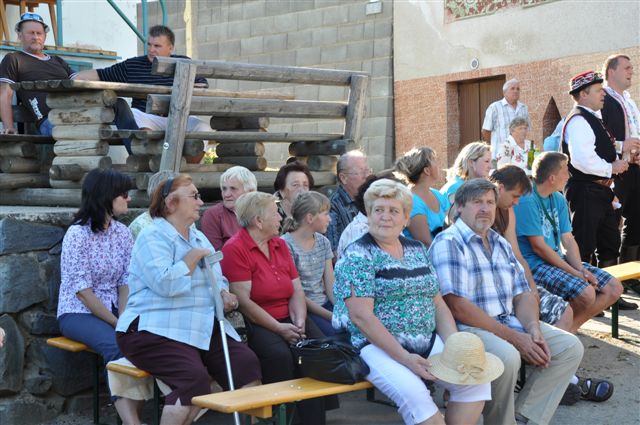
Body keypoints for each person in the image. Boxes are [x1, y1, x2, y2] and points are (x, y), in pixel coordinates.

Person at [334, 179, 492, 425]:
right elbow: (361, 317)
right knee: (417, 398)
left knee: (475, 381)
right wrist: (405, 358)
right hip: (375, 346)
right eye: (378, 210)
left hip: (426, 341)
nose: (385, 216)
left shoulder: (417, 249)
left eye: (394, 211)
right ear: (368, 215)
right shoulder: (358, 254)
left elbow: (437, 304)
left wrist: (454, 346)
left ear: (406, 219)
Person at [430, 178, 584, 425]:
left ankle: (524, 417)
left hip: (508, 321)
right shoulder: (449, 242)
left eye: (490, 202)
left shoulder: (499, 242)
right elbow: (457, 305)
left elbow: (523, 293)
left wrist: (533, 329)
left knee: (569, 347)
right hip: (467, 328)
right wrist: (514, 337)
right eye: (477, 202)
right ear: (459, 207)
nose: (485, 208)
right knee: (508, 356)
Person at [116, 174, 261, 425]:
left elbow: (218, 277)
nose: (200, 202)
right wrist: (191, 258)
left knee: (246, 365)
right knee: (192, 381)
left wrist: (224, 293)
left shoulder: (197, 236)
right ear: (171, 203)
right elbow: (165, 284)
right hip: (153, 328)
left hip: (199, 323)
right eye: (194, 196)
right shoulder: (152, 236)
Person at [490, 165, 612, 405]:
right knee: (579, 297)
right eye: (515, 196)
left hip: (516, 283)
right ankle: (566, 382)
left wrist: (530, 286)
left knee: (563, 310)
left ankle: (559, 377)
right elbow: (534, 249)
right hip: (497, 291)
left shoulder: (508, 211)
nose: (517, 202)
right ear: (500, 188)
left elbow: (516, 255)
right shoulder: (482, 214)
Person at [220, 191, 335, 425]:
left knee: (319, 348)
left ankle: (314, 420)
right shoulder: (235, 248)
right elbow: (245, 302)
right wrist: (279, 328)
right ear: (258, 221)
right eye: (275, 213)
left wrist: (299, 321)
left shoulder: (278, 244)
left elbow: (296, 289)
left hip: (289, 314)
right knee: (279, 356)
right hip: (258, 321)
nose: (281, 218)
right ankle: (281, 417)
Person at [56, 168, 142, 425]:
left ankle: (135, 415)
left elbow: (126, 280)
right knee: (116, 346)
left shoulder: (122, 233)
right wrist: (118, 324)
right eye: (124, 194)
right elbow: (83, 293)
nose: (129, 199)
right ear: (106, 196)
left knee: (146, 341)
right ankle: (132, 422)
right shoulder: (77, 235)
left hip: (115, 308)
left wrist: (125, 317)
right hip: (78, 312)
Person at [513, 152, 625, 331]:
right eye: (565, 171)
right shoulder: (528, 200)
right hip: (535, 265)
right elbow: (539, 248)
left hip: (556, 260)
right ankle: (562, 333)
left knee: (614, 288)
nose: (569, 176)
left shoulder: (557, 198)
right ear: (552, 178)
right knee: (586, 293)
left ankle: (568, 331)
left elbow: (568, 240)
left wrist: (581, 269)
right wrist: (575, 273)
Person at [0, 13, 138, 145]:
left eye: (39, 33)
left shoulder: (57, 60)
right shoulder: (13, 59)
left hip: (77, 110)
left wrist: (114, 72)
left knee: (118, 104)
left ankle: (137, 150)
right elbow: (5, 93)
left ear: (45, 36)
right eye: (31, 33)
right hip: (51, 119)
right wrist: (9, 126)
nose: (36, 37)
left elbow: (78, 79)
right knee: (87, 135)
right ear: (20, 35)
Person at [72, 25, 211, 135]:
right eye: (149, 45)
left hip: (178, 117)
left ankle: (184, 162)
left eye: (157, 46)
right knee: (132, 113)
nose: (151, 50)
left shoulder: (184, 62)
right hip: (147, 118)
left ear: (171, 48)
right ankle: (148, 152)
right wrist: (74, 77)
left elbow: (202, 85)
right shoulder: (133, 65)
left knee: (203, 127)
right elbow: (101, 74)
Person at [561, 70, 630, 268]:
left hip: (599, 190)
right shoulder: (579, 120)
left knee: (609, 244)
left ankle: (609, 287)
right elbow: (582, 160)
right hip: (585, 191)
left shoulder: (591, 117)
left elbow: (599, 149)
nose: (603, 93)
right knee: (583, 246)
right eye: (598, 90)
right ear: (583, 94)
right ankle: (583, 287)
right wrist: (611, 168)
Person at [601, 54, 640, 295]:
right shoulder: (603, 99)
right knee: (610, 225)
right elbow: (600, 136)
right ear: (611, 72)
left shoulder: (629, 100)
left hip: (633, 167)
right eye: (626, 68)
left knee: (637, 219)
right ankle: (610, 286)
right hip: (612, 169)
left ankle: (630, 278)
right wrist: (621, 146)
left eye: (632, 68)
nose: (631, 71)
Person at [282, 192, 335, 336]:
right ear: (310, 218)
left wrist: (341, 310)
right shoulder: (285, 245)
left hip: (326, 304)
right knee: (335, 335)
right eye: (326, 214)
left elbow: (330, 284)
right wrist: (331, 316)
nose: (329, 219)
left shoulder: (323, 242)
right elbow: (296, 292)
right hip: (305, 309)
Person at [395, 147, 450, 247]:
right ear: (427, 170)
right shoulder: (411, 201)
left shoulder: (438, 195)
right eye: (434, 160)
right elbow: (426, 243)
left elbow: (451, 227)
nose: (438, 164)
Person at [201, 166, 257, 250]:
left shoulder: (262, 212)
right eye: (224, 189)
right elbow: (215, 254)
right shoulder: (213, 215)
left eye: (233, 189)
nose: (226, 194)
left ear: (250, 192)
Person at [325, 150, 372, 252]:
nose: (366, 176)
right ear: (343, 178)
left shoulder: (371, 200)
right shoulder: (332, 207)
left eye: (368, 171)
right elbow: (333, 253)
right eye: (361, 172)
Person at [482, 79, 530, 160]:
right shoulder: (494, 107)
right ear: (504, 92)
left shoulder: (524, 108)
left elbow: (526, 129)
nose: (516, 91)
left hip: (519, 157)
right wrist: (492, 147)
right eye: (512, 88)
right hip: (499, 155)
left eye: (518, 89)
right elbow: (486, 131)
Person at [273, 161, 314, 225]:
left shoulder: (314, 211)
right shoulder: (270, 216)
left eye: (305, 185)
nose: (302, 190)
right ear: (281, 190)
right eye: (295, 185)